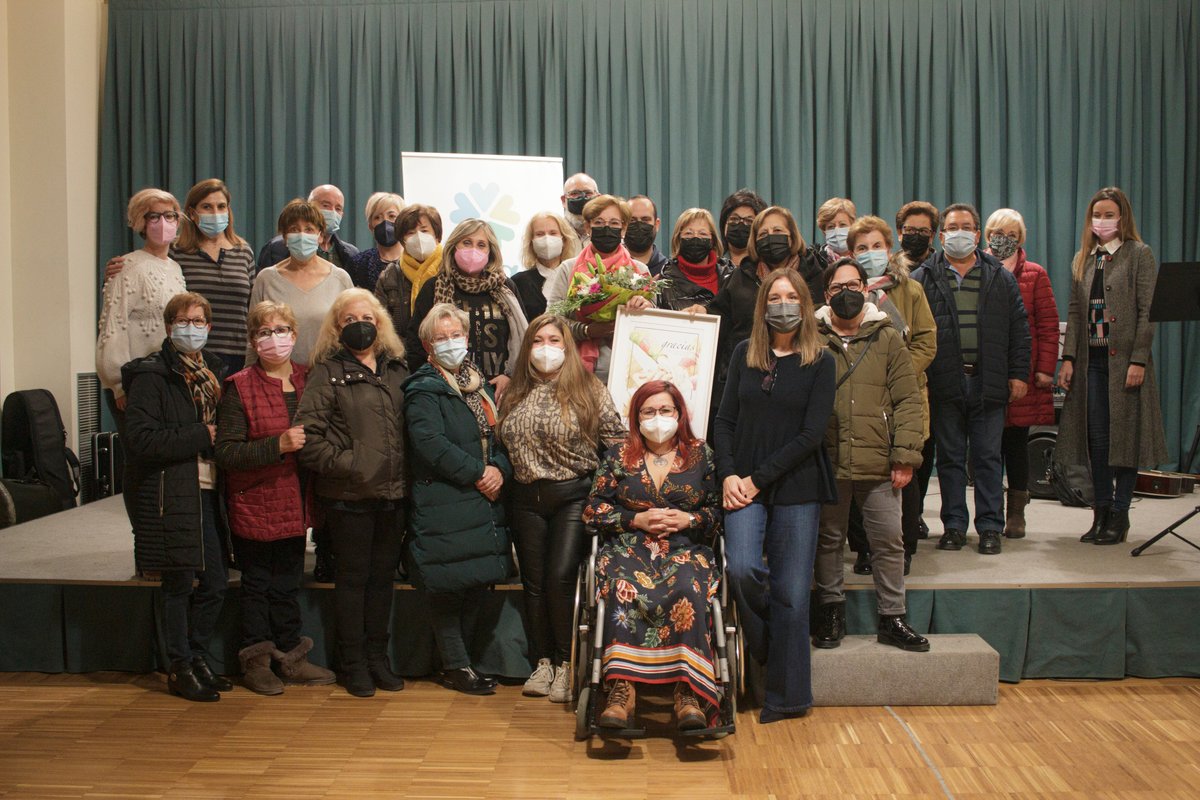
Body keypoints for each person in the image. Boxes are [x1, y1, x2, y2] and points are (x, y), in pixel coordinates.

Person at [713, 267, 836, 724]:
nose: (783, 303)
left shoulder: (821, 360)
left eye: (792, 296)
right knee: (743, 569)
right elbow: (724, 422)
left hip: (796, 485)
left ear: (804, 305)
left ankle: (787, 699)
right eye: (774, 296)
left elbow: (810, 435)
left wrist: (757, 479)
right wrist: (728, 475)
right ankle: (764, 645)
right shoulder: (746, 352)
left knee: (791, 592)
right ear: (763, 305)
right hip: (742, 484)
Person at [497, 313, 625, 703]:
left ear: (567, 347)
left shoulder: (589, 388)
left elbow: (617, 443)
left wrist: (605, 493)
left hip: (572, 495)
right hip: (525, 498)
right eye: (538, 341)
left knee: (559, 578)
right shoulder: (514, 391)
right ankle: (543, 662)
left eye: (554, 340)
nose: (546, 348)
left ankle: (568, 663)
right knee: (533, 584)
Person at [583, 381, 722, 731]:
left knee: (689, 586)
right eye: (649, 411)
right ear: (636, 416)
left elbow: (717, 511)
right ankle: (621, 691)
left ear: (679, 414)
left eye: (665, 411)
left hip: (684, 547)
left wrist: (690, 518)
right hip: (629, 546)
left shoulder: (700, 453)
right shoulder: (618, 455)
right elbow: (592, 510)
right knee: (619, 586)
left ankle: (688, 692)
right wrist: (635, 518)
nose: (658, 418)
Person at [214, 301, 335, 695]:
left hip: (297, 503)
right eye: (265, 332)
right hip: (255, 501)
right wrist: (277, 445)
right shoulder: (239, 387)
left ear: (295, 335)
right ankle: (257, 662)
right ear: (253, 340)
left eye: (281, 330)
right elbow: (227, 452)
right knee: (257, 586)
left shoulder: (309, 378)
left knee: (287, 584)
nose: (274, 338)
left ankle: (292, 658)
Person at [296, 288, 409, 697]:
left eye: (366, 317)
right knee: (353, 582)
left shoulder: (398, 370)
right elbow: (309, 439)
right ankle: (353, 663)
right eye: (348, 320)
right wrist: (353, 466)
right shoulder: (326, 373)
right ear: (336, 328)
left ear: (380, 324)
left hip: (394, 495)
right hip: (349, 497)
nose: (359, 325)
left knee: (383, 582)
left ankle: (379, 658)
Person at [812, 259, 928, 652]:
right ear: (826, 295)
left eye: (854, 285)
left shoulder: (888, 336)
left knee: (888, 541)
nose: (846, 293)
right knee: (828, 540)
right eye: (837, 287)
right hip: (827, 459)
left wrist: (905, 456)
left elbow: (908, 400)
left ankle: (892, 618)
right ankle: (830, 612)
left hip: (880, 460)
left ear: (866, 288)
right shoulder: (811, 336)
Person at [122, 292, 229, 702]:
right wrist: (200, 436)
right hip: (170, 490)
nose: (191, 327)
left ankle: (199, 656)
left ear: (209, 326)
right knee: (179, 582)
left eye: (199, 320)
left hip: (209, 487)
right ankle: (179, 666)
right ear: (169, 327)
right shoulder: (151, 376)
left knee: (216, 583)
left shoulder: (213, 371)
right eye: (183, 320)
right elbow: (140, 439)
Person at [403, 303, 512, 696]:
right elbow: (429, 444)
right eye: (441, 337)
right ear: (427, 345)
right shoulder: (423, 388)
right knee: (447, 587)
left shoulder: (477, 382)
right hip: (447, 498)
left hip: (482, 499)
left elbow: (500, 437)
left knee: (474, 582)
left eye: (456, 335)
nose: (451, 343)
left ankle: (465, 660)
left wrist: (500, 467)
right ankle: (456, 665)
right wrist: (479, 472)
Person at [911, 204, 1031, 556]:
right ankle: (953, 527)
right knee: (948, 458)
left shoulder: (1000, 277)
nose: (959, 232)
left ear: (978, 235)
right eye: (952, 227)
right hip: (944, 382)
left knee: (988, 458)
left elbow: (1019, 331)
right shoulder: (923, 276)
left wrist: (1018, 374)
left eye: (966, 226)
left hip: (988, 381)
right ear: (942, 234)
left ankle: (991, 526)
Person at [1056, 187, 1167, 545]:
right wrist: (1069, 357)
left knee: (1126, 440)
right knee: (1098, 442)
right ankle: (1100, 511)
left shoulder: (1139, 255)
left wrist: (1138, 359)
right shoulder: (1084, 258)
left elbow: (1149, 311)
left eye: (1108, 214)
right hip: (1092, 362)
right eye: (1097, 215)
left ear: (1122, 218)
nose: (1102, 221)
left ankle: (1120, 514)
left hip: (1125, 364)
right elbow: (1075, 312)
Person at [844, 215, 937, 575]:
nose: (870, 254)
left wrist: (894, 376)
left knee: (902, 477)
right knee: (857, 478)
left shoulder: (910, 290)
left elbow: (927, 341)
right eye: (862, 248)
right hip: (858, 401)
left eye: (877, 246)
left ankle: (905, 548)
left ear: (889, 248)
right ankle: (865, 548)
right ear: (851, 253)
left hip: (903, 398)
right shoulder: (846, 292)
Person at [984, 208, 1059, 539]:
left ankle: (1017, 511)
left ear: (1021, 239)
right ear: (987, 236)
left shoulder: (1035, 274)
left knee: (1015, 443)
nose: (1005, 239)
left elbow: (1047, 324)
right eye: (998, 233)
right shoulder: (977, 269)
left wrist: (1044, 369)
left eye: (1012, 234)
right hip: (984, 371)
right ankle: (990, 513)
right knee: (986, 447)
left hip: (1022, 372)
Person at [406, 219, 528, 400]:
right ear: (454, 246)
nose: (474, 250)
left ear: (491, 251)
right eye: (467, 243)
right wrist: (438, 382)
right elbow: (416, 343)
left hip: (501, 391)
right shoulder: (434, 287)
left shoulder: (506, 287)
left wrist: (510, 376)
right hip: (448, 391)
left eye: (481, 245)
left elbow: (524, 337)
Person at [96, 188, 187, 420]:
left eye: (170, 216)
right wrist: (118, 384)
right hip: (134, 381)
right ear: (140, 222)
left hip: (166, 377)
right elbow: (113, 328)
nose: (163, 222)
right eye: (154, 216)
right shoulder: (126, 266)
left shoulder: (175, 268)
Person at [543, 195, 655, 382]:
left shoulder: (640, 271)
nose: (606, 228)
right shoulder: (568, 269)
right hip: (577, 372)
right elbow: (552, 321)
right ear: (588, 227)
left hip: (630, 372)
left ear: (624, 228)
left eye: (614, 223)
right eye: (599, 222)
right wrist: (586, 331)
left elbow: (655, 325)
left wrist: (646, 307)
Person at [247, 199, 353, 366]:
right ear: (285, 237)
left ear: (320, 236)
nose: (302, 235)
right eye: (294, 230)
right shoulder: (266, 279)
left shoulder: (340, 278)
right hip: (276, 378)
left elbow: (349, 335)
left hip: (327, 378)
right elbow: (253, 336)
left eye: (309, 229)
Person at [895, 201, 941, 538]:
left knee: (922, 450)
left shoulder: (929, 276)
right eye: (909, 230)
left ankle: (916, 518)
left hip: (925, 376)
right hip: (886, 389)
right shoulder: (870, 283)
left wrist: (901, 370)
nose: (915, 236)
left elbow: (926, 338)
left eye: (922, 231)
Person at [374, 203, 445, 346]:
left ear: (437, 236)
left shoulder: (450, 270)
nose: (418, 237)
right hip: (403, 357)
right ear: (402, 240)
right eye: (410, 233)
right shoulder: (390, 276)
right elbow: (380, 323)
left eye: (424, 231)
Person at [257, 184, 360, 274]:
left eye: (338, 208)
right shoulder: (276, 248)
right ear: (310, 207)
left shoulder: (351, 254)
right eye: (325, 205)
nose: (332, 212)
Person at [511, 212, 580, 321]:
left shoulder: (577, 277)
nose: (547, 239)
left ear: (564, 239)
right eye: (540, 234)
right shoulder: (518, 282)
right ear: (531, 242)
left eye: (553, 233)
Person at [657, 208, 729, 311]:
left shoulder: (730, 275)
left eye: (702, 234)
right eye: (688, 233)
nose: (696, 238)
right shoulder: (664, 283)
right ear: (678, 239)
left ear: (712, 240)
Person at [345, 192, 406, 291]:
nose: (385, 222)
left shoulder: (415, 260)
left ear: (403, 221)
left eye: (392, 216)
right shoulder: (358, 264)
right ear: (370, 226)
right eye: (377, 217)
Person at [716, 189, 768, 273]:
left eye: (749, 221)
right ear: (724, 224)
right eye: (734, 219)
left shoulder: (766, 268)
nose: (740, 224)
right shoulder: (713, 266)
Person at [625, 195, 669, 276]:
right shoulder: (610, 268)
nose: (639, 225)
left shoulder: (668, 271)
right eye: (632, 220)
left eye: (645, 220)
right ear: (623, 225)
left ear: (657, 224)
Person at [814, 197, 857, 269]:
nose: (837, 230)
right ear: (824, 231)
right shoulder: (815, 262)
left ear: (853, 227)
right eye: (831, 227)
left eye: (842, 225)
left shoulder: (863, 258)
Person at [561, 172, 600, 240]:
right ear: (564, 200)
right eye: (574, 193)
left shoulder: (607, 235)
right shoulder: (556, 233)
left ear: (599, 198)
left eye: (588, 193)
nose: (582, 199)